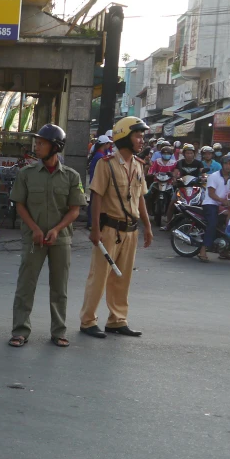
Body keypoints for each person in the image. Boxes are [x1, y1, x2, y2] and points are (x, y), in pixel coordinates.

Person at [8, 124, 85, 348]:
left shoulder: (71, 176)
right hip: (33, 239)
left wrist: (57, 229)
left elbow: (75, 210)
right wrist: (34, 228)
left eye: (41, 143)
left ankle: (59, 331)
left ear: (55, 147)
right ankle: (20, 331)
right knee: (25, 286)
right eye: (37, 142)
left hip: (61, 240)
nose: (37, 146)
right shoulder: (26, 174)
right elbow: (20, 205)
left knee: (59, 288)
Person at [80, 116, 153, 339]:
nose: (141, 140)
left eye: (142, 136)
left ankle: (117, 320)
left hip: (131, 230)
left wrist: (148, 227)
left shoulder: (138, 165)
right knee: (99, 277)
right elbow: (97, 196)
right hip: (109, 229)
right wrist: (95, 229)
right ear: (124, 137)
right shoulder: (106, 164)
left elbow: (140, 198)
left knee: (123, 278)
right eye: (137, 136)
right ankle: (88, 321)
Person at [198, 155, 230, 263]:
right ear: (222, 164)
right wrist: (222, 200)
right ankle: (203, 250)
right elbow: (211, 194)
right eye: (226, 163)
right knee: (213, 224)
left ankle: (224, 250)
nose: (228, 166)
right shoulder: (214, 176)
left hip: (225, 206)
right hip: (211, 203)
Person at [87, 135, 113, 228]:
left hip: (94, 182)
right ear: (105, 144)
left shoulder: (98, 154)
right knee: (94, 204)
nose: (109, 145)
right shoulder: (100, 156)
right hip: (97, 183)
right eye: (109, 143)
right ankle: (91, 223)